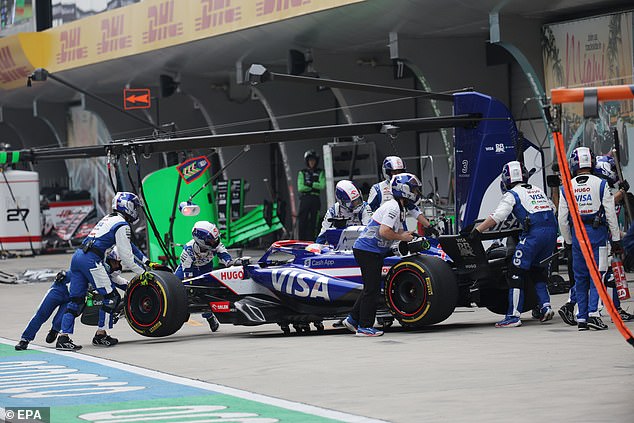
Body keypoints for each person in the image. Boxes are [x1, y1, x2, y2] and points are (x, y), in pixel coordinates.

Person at [56, 192, 149, 351]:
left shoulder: (108, 218)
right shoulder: (122, 224)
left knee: (76, 301)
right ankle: (101, 334)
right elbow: (126, 257)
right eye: (134, 206)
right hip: (91, 259)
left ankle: (63, 338)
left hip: (78, 256)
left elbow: (128, 247)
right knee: (111, 297)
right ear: (127, 206)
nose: (136, 211)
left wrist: (145, 261)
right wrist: (144, 273)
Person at [471, 161, 557, 328]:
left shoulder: (512, 194)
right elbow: (552, 208)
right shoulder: (536, 189)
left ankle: (513, 316)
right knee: (537, 271)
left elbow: (498, 216)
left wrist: (478, 231)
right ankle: (545, 307)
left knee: (515, 272)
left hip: (534, 235)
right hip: (552, 233)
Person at [344, 173, 422, 337]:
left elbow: (399, 231)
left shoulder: (400, 208)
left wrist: (409, 236)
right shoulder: (393, 206)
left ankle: (352, 319)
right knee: (372, 290)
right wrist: (402, 237)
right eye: (413, 189)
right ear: (404, 190)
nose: (416, 192)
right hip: (367, 250)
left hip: (370, 250)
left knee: (369, 288)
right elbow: (384, 231)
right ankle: (364, 327)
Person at [559, 154, 634, 323]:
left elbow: (562, 219)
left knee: (585, 275)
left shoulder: (569, 186)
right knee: (601, 275)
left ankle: (583, 315)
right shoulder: (600, 184)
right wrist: (616, 239)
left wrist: (568, 240)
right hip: (597, 236)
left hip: (578, 235)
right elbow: (607, 209)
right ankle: (585, 310)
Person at [174, 221, 232, 332]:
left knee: (206, 294)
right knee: (179, 290)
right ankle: (181, 313)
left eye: (215, 239)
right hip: (187, 270)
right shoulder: (188, 251)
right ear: (201, 240)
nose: (215, 242)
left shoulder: (215, 244)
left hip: (205, 268)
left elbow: (224, 254)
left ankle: (210, 317)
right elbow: (188, 279)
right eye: (211, 240)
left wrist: (229, 262)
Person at [368, 156, 438, 236]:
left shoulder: (405, 188)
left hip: (401, 227)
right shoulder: (377, 188)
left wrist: (429, 226)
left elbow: (414, 210)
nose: (397, 174)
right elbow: (368, 212)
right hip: (383, 230)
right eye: (394, 172)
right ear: (387, 172)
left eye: (400, 171)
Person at [315, 180, 372, 244]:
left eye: (358, 200)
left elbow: (369, 233)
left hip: (359, 245)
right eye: (352, 203)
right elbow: (322, 236)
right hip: (339, 247)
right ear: (341, 201)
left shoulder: (365, 208)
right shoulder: (333, 211)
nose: (357, 204)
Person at [297, 149, 325, 240]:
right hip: (305, 198)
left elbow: (322, 185)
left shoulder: (320, 172)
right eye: (310, 160)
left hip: (315, 198)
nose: (312, 162)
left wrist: (310, 184)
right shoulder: (302, 172)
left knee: (314, 221)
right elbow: (300, 188)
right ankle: (301, 241)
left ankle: (313, 240)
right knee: (302, 220)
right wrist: (313, 185)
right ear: (307, 161)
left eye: (313, 160)